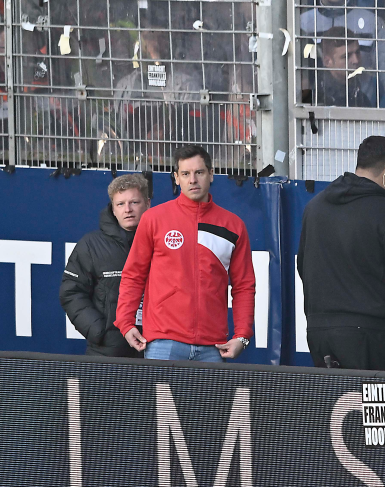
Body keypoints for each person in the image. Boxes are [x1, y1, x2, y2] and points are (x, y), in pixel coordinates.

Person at [298, 136, 385, 371]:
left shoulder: (315, 207)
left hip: (318, 332)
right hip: (370, 335)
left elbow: (303, 266)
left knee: (334, 405)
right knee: (384, 407)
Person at [115, 146, 255, 362]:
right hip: (163, 341)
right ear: (176, 178)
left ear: (211, 174)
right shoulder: (154, 219)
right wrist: (126, 323)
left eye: (199, 172)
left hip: (213, 346)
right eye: (185, 174)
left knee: (209, 399)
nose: (193, 180)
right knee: (162, 399)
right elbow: (133, 275)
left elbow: (244, 286)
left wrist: (242, 336)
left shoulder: (233, 226)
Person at [60, 173, 151, 358]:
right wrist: (99, 331)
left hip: (155, 346)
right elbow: (71, 292)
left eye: (134, 202)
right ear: (113, 209)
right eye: (120, 204)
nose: (128, 209)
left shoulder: (163, 243)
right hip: (107, 351)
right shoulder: (90, 245)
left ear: (148, 204)